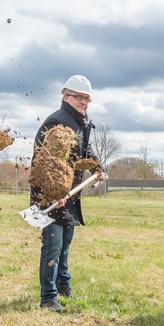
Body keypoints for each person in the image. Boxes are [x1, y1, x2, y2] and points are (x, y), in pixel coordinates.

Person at [32, 75, 101, 312]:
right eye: (78, 97)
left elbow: (86, 149)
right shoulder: (57, 122)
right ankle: (48, 297)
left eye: (87, 98)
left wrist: (98, 166)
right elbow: (46, 163)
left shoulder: (82, 122)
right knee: (53, 244)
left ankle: (63, 285)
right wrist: (53, 192)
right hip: (50, 194)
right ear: (65, 97)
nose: (83, 102)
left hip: (69, 193)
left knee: (65, 243)